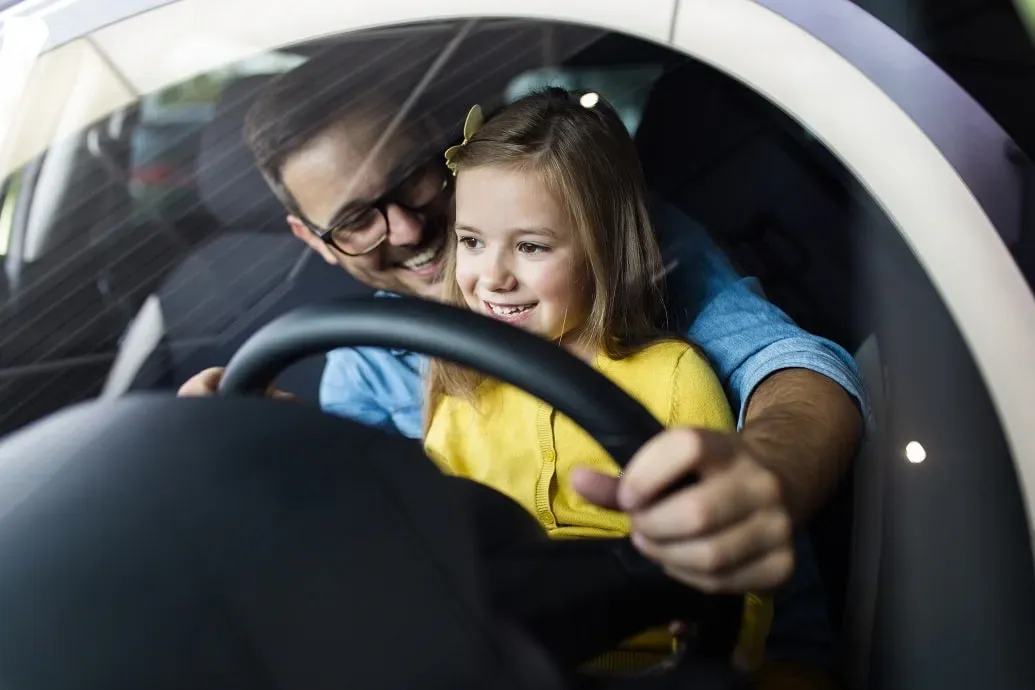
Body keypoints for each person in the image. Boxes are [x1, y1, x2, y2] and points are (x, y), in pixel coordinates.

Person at [179, 47, 864, 687]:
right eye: (357, 219)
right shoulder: (357, 362)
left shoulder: (608, 244)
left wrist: (766, 476)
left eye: (411, 177)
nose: (409, 230)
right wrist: (279, 457)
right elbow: (374, 566)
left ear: (442, 145)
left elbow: (788, 366)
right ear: (315, 242)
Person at [423, 90, 772, 674]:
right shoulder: (462, 392)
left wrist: (715, 658)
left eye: (531, 246)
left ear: (603, 249)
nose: (492, 276)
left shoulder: (674, 379)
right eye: (471, 241)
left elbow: (734, 558)